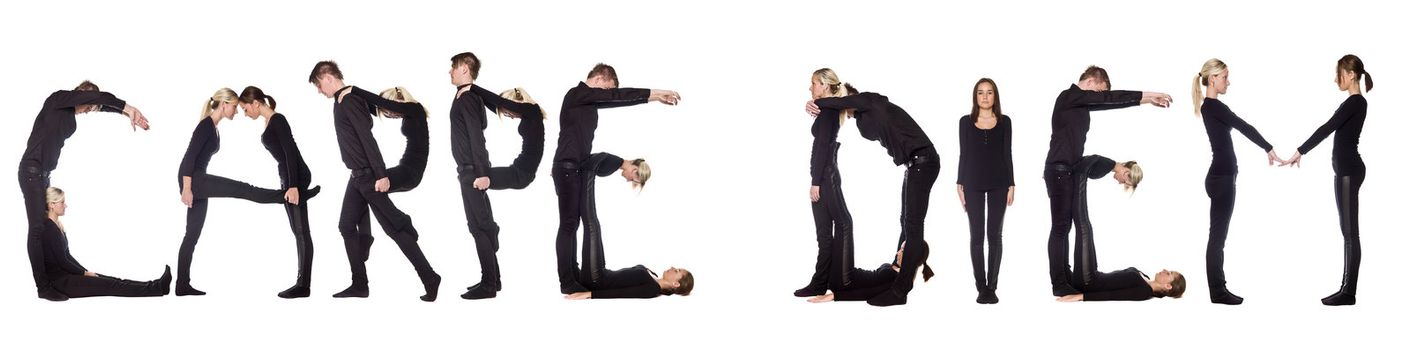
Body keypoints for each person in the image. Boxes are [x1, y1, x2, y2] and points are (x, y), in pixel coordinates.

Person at [309, 61, 440, 301]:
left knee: (394, 229)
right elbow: (377, 107)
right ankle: (360, 284)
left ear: (327, 77)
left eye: (318, 85)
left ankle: (429, 276)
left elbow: (367, 138)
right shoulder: (343, 100)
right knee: (346, 225)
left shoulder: (348, 100)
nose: (319, 91)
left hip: (368, 174)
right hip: (356, 175)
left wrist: (381, 174)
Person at [1044, 66, 1172, 297]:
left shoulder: (1080, 104)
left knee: (1065, 227)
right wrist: (1147, 94)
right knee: (1061, 228)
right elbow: (1109, 98)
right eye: (1099, 92)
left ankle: (1066, 278)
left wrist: (1143, 102)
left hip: (1066, 170)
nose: (1100, 97)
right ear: (1092, 81)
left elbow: (1109, 102)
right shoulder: (1069, 96)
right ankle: (1059, 282)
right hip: (1060, 170)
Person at [552, 63, 680, 294]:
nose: (607, 95)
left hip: (570, 167)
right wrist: (655, 93)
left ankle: (573, 275)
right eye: (607, 89)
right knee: (569, 225)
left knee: (572, 224)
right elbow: (618, 96)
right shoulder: (578, 93)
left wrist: (650, 100)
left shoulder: (586, 101)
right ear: (601, 79)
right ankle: (567, 280)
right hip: (568, 167)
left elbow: (618, 100)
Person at [806, 83, 937, 307]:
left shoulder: (870, 100)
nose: (840, 102)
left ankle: (900, 290)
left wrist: (817, 102)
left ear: (850, 96)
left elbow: (843, 102)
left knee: (913, 226)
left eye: (842, 98)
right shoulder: (861, 119)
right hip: (912, 165)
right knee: (905, 223)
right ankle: (900, 275)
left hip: (923, 161)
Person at [19, 80, 149, 301]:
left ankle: (57, 275)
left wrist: (124, 114)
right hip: (32, 170)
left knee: (50, 226)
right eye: (88, 104)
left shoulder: (71, 113)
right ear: (80, 94)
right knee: (38, 228)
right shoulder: (57, 100)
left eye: (91, 108)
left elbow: (102, 105)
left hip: (43, 175)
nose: (89, 111)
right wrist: (127, 106)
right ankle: (42, 286)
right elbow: (100, 100)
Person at [175, 88, 300, 296]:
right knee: (242, 189)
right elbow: (189, 158)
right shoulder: (205, 125)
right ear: (224, 104)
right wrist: (187, 189)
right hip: (194, 181)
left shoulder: (213, 126)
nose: (236, 112)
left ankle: (182, 285)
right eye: (234, 107)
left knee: (192, 234)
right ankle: (283, 196)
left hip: (197, 181)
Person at [1281, 54, 1373, 306]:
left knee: (1350, 233)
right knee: (1347, 232)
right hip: (1345, 171)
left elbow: (1327, 127)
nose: (1336, 79)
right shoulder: (1352, 103)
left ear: (1351, 74)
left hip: (1349, 172)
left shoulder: (1355, 102)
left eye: (1339, 74)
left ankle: (1348, 292)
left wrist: (1300, 150)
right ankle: (1346, 289)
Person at [1190, 59, 1281, 305]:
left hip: (1220, 176)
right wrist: (1268, 147)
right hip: (1222, 179)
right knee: (1217, 238)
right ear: (1212, 79)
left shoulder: (1210, 107)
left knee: (1217, 237)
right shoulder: (1214, 106)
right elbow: (1244, 126)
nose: (1228, 82)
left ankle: (1218, 289)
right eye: (1225, 77)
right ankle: (1218, 291)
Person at [1055, 154, 1185, 302]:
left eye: (1169, 273)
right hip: (1093, 274)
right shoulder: (1146, 279)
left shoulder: (1144, 292)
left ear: (1168, 286)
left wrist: (1080, 297)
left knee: (1083, 225)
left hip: (1088, 282)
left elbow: (1111, 296)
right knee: (1086, 228)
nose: (1165, 270)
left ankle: (1079, 173)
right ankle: (1072, 175)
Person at [562, 153, 692, 300]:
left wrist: (589, 295)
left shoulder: (652, 289)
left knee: (592, 224)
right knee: (593, 225)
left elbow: (620, 294)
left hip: (596, 280)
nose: (673, 267)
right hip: (601, 272)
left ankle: (587, 171)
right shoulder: (654, 279)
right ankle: (579, 174)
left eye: (677, 271)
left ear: (675, 284)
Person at [237, 86, 322, 298]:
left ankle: (303, 285)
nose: (246, 114)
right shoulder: (269, 122)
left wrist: (294, 186)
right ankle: (302, 284)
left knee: (302, 233)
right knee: (297, 232)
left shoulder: (278, 120)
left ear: (256, 103)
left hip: (297, 178)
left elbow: (290, 152)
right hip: (288, 178)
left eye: (246, 109)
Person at [40, 187, 171, 299]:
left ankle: (157, 286)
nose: (65, 205)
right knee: (112, 285)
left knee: (114, 281)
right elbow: (62, 261)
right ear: (51, 204)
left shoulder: (58, 226)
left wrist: (84, 271)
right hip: (62, 282)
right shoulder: (49, 229)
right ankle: (157, 288)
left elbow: (67, 256)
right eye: (62, 202)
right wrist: (84, 274)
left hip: (69, 276)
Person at [794, 68, 853, 298]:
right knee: (823, 233)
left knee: (842, 223)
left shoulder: (829, 110)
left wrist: (816, 182)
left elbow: (822, 149)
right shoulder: (827, 109)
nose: (810, 88)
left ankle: (842, 279)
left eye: (814, 83)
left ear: (825, 85)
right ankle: (820, 282)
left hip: (825, 176)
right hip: (823, 175)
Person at [955, 78, 1014, 304]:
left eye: (989, 92)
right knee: (977, 236)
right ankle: (981, 287)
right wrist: (959, 183)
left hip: (1000, 183)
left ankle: (992, 286)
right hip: (972, 183)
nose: (985, 97)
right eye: (981, 93)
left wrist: (1012, 184)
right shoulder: (965, 122)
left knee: (995, 236)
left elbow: (1007, 153)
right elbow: (964, 153)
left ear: (995, 96)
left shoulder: (1005, 121)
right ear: (975, 97)